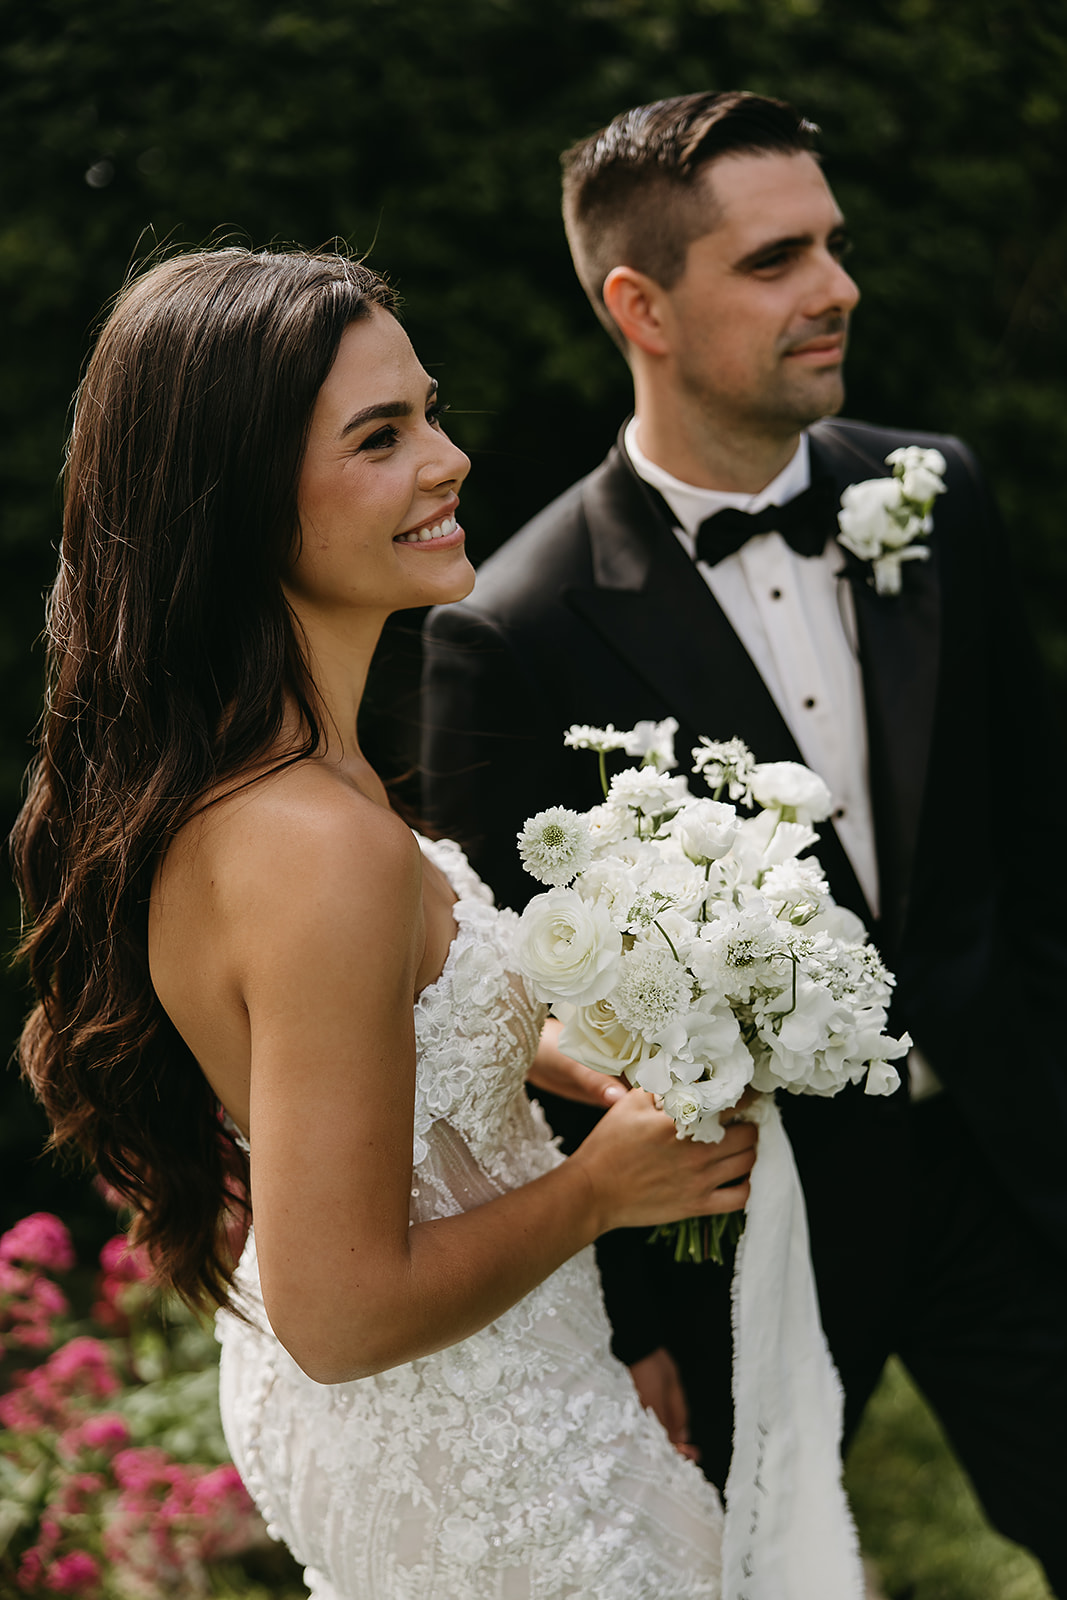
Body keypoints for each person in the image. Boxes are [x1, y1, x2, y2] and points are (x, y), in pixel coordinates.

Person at [10, 246, 773, 1600]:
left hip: (477, 1404)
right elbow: (343, 1312)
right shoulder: (319, 848)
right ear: (240, 507)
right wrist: (602, 1186)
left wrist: (561, 1052)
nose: (450, 459)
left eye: (428, 412)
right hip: (478, 1460)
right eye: (383, 436)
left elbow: (352, 1028)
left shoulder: (269, 782)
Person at [420, 91, 1067, 1593]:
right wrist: (630, 1322)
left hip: (1000, 1170)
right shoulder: (510, 632)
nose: (837, 287)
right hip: (744, 1228)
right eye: (778, 259)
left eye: (833, 245)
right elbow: (518, 1018)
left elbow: (1034, 845)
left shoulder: (936, 498)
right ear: (638, 305)